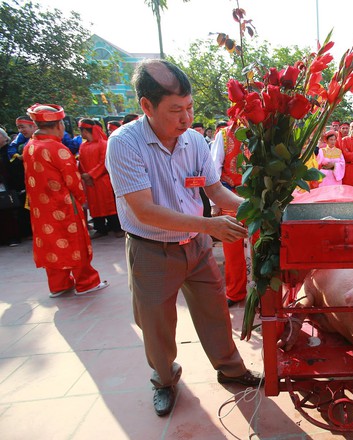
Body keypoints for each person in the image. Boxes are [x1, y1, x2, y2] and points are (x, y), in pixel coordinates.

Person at [105, 59, 262, 417]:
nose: (187, 118)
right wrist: (210, 225)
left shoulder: (193, 141)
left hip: (197, 246)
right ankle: (164, 380)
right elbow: (144, 210)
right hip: (151, 249)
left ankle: (232, 370)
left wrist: (256, 210)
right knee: (157, 324)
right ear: (146, 106)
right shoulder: (124, 144)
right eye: (176, 110)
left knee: (216, 312)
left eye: (190, 107)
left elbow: (217, 192)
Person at [22, 104, 109, 298]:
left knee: (51, 244)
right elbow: (73, 181)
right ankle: (86, 282)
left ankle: (59, 284)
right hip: (64, 205)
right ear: (59, 124)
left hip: (41, 209)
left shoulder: (30, 147)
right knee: (75, 242)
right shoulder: (57, 148)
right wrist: (81, 199)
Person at [210, 119, 250, 306]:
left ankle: (262, 293)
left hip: (259, 198)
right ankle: (235, 292)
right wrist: (214, 202)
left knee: (262, 246)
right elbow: (214, 168)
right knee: (232, 247)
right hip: (230, 196)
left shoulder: (264, 132)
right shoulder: (224, 135)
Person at [77, 119, 123, 239]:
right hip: (90, 182)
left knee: (109, 204)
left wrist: (91, 175)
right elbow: (81, 162)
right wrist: (84, 175)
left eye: (81, 131)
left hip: (102, 179)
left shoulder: (103, 144)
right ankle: (100, 228)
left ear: (86, 131)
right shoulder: (83, 146)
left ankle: (116, 227)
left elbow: (104, 163)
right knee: (94, 205)